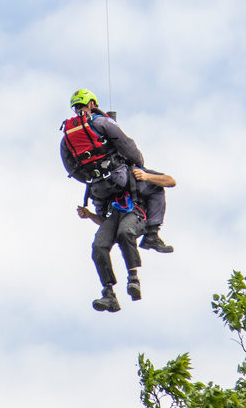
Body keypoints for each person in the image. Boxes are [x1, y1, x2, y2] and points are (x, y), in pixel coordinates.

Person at [60, 88, 175, 312]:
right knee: (99, 246)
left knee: (125, 232)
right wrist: (91, 215)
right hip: (114, 212)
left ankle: (136, 273)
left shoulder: (134, 178)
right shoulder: (102, 126)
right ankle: (109, 294)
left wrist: (145, 174)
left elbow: (170, 181)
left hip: (135, 213)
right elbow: (126, 144)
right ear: (92, 104)